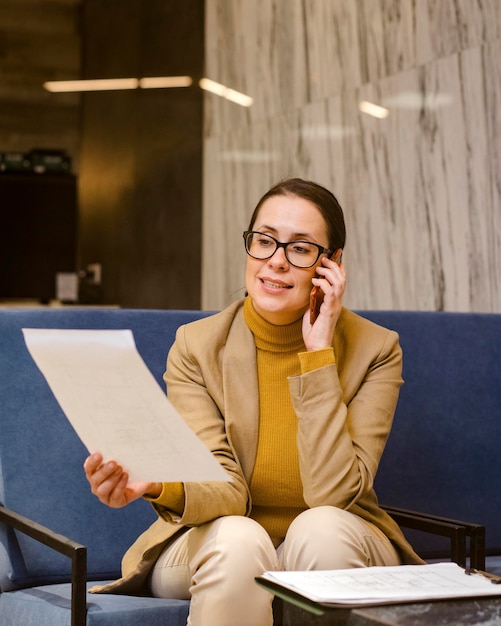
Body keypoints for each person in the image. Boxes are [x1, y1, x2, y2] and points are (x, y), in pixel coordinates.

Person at [84, 178, 422, 626]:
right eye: (264, 241)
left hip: (337, 538)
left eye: (300, 249)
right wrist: (152, 485)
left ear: (332, 264)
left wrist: (317, 353)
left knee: (320, 529)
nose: (276, 262)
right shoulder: (197, 346)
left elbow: (333, 495)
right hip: (217, 539)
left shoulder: (376, 350)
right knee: (241, 541)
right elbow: (224, 490)